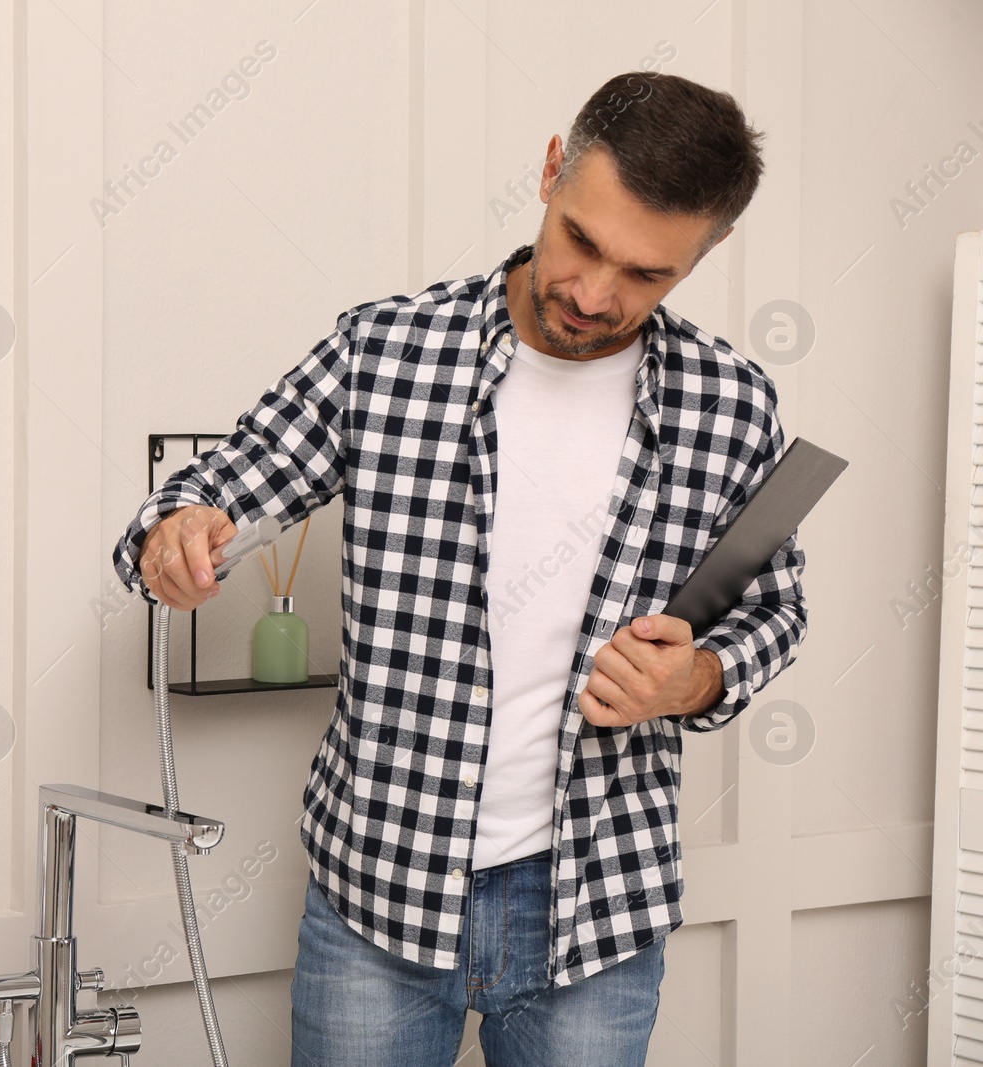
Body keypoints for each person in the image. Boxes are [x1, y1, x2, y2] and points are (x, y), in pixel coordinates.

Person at [111, 71, 806, 1066]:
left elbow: (776, 606)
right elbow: (197, 496)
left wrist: (696, 676)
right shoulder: (386, 350)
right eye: (582, 241)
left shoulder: (731, 401)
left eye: (647, 275)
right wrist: (174, 533)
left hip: (598, 908)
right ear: (551, 169)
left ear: (710, 249)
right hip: (378, 894)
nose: (594, 295)